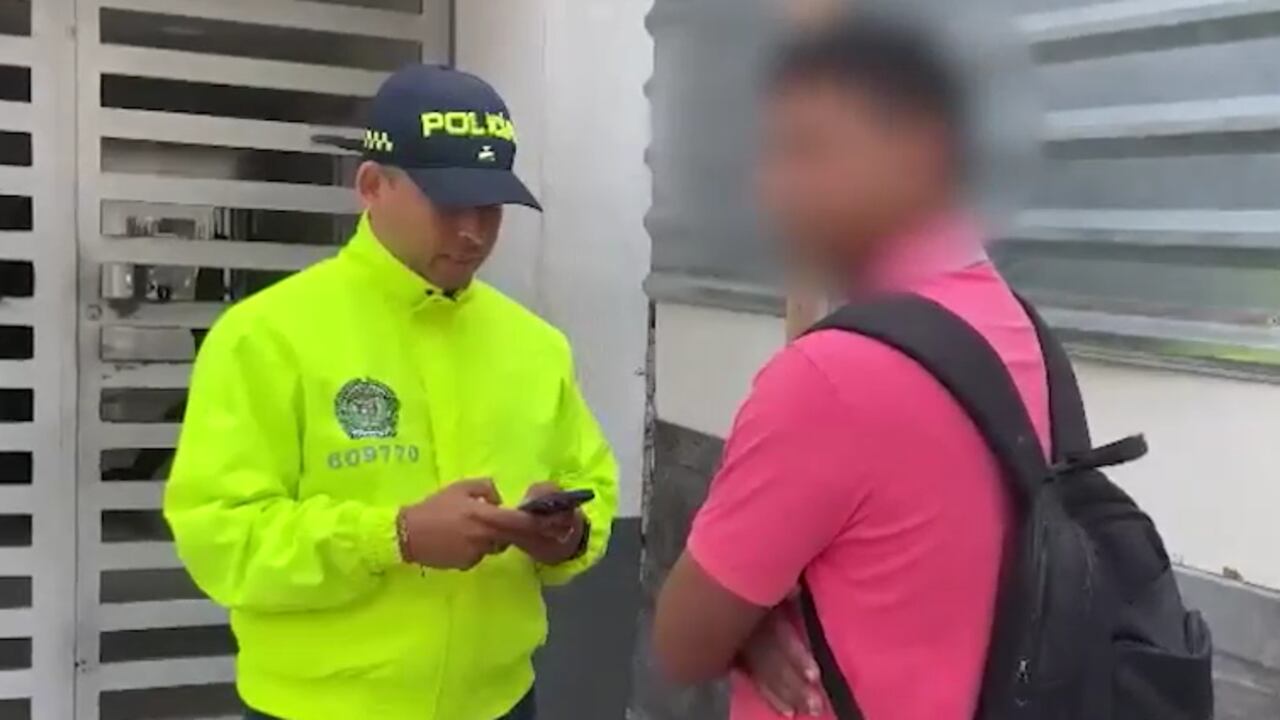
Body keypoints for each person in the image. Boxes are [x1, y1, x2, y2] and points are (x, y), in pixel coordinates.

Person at [164, 64, 619, 720]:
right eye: (449, 203)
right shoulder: (266, 336)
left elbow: (590, 481)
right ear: (373, 185)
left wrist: (567, 533)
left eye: (490, 207)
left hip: (499, 703)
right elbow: (222, 536)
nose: (474, 231)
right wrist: (395, 536)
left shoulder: (535, 345)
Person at [653, 14, 1050, 720]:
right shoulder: (1018, 329)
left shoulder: (832, 378)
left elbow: (682, 641)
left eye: (810, 151)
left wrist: (744, 630)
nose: (776, 190)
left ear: (922, 154)